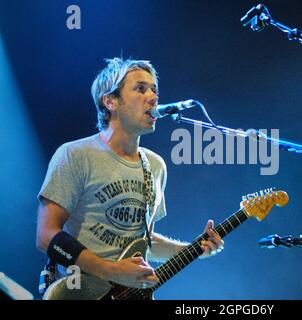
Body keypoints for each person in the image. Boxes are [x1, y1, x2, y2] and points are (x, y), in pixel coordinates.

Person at [36, 57, 224, 295]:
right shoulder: (75, 155)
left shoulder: (156, 166)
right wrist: (111, 270)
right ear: (111, 101)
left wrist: (193, 249)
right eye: (141, 88)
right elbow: (46, 235)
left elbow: (145, 240)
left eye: (155, 90)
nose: (154, 97)